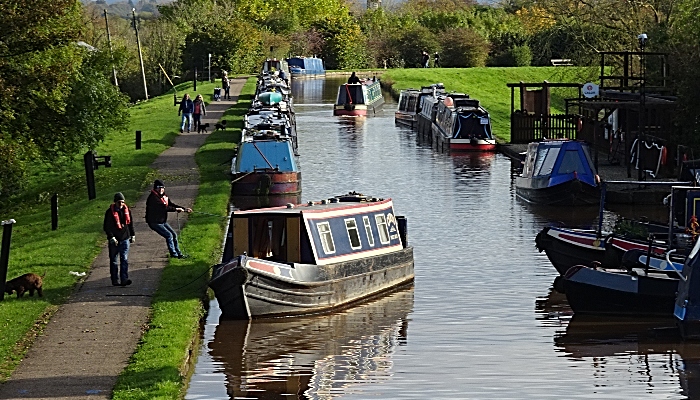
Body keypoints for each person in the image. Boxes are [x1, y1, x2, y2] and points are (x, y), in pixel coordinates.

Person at [145, 180, 192, 259]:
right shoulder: (153, 198)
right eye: (159, 188)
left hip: (162, 221)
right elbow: (164, 208)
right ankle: (173, 254)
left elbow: (170, 204)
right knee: (169, 235)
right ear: (155, 188)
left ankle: (179, 253)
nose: (161, 189)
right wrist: (176, 209)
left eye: (162, 188)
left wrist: (184, 209)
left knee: (174, 235)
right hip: (154, 222)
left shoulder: (164, 196)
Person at [103, 192, 135, 287]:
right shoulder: (110, 212)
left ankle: (124, 279)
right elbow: (107, 226)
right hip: (114, 240)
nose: (121, 204)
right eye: (119, 202)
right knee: (114, 260)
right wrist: (111, 237)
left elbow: (130, 223)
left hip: (124, 238)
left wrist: (132, 235)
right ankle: (115, 279)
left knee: (124, 259)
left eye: (122, 202)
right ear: (115, 202)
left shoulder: (127, 210)